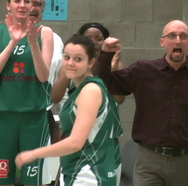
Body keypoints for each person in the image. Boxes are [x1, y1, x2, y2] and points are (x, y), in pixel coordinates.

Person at [96, 20, 188, 186]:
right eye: (172, 36)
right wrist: (105, 55)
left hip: (185, 161)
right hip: (149, 159)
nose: (178, 40)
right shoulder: (143, 71)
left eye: (183, 36)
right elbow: (106, 83)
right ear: (162, 42)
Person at [15, 34, 119, 186]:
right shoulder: (78, 87)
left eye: (78, 59)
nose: (70, 63)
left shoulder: (90, 90)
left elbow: (75, 142)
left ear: (91, 63)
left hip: (91, 172)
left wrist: (34, 153)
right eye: (67, 57)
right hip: (77, 168)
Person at [51, 22, 125, 186]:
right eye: (88, 38)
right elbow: (55, 97)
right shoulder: (70, 66)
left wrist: (112, 69)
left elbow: (120, 99)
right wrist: (67, 72)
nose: (94, 42)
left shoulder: (115, 65)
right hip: (77, 140)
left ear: (106, 42)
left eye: (99, 39)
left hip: (106, 140)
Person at [0, 0, 53, 186]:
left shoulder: (44, 32)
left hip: (33, 119)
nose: (22, 5)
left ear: (32, 6)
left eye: (28, 1)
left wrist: (33, 44)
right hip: (3, 117)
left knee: (32, 180)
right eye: (17, 1)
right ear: (8, 5)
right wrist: (13, 42)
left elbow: (43, 76)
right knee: (2, 177)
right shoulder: (0, 32)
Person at [29, 0, 64, 144]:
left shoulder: (55, 40)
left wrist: (61, 125)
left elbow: (62, 83)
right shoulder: (3, 37)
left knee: (40, 165)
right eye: (25, 2)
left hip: (43, 116)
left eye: (37, 4)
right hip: (8, 116)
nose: (32, 8)